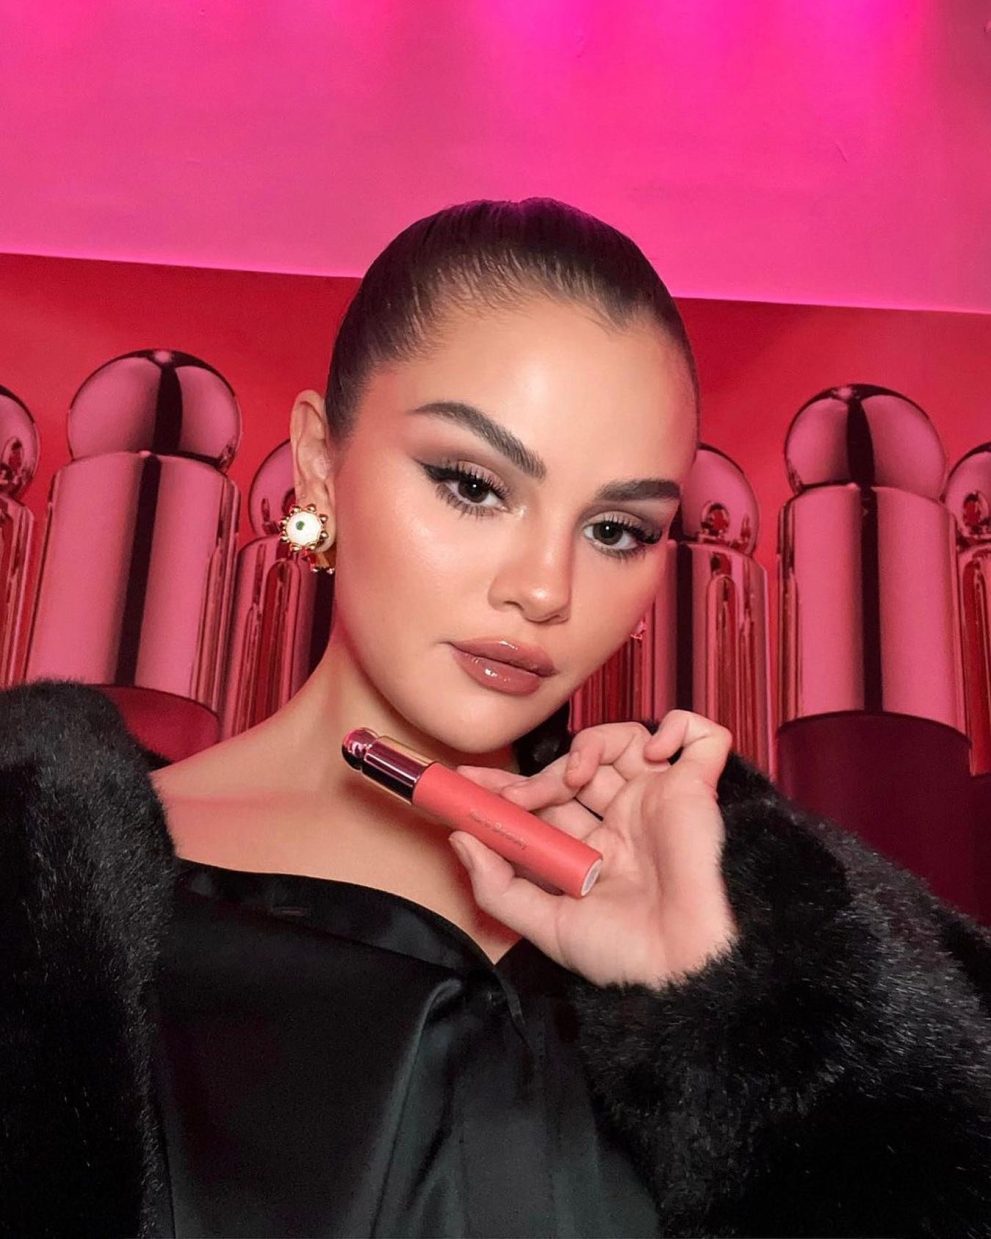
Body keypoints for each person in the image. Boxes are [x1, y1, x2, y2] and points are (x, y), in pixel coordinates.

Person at [1, 198, 990, 1239]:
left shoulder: (767, 922)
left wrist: (728, 1010)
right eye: (473, 485)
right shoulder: (48, 902)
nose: (544, 588)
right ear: (322, 460)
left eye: (616, 529)